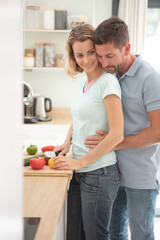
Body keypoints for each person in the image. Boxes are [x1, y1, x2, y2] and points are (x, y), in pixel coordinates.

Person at [83, 16, 160, 240]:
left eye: (110, 56)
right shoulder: (109, 76)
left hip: (141, 176)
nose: (104, 62)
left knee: (141, 234)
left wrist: (114, 142)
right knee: (115, 233)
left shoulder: (150, 79)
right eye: (100, 56)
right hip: (113, 174)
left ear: (126, 48)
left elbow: (157, 132)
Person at [53, 24, 124, 240]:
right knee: (74, 235)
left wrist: (78, 163)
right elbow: (79, 118)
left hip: (100, 174)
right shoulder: (86, 81)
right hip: (81, 172)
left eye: (90, 52)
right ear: (73, 57)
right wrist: (68, 143)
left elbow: (117, 134)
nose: (86, 60)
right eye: (80, 55)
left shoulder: (108, 83)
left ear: (97, 49)